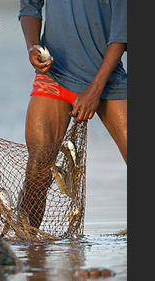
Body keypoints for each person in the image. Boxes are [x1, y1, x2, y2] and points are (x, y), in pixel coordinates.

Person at [18, 0, 127, 229]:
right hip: (54, 75)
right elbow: (29, 7)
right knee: (38, 171)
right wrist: (32, 46)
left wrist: (95, 89)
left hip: (108, 77)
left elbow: (122, 32)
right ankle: (27, 251)